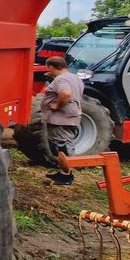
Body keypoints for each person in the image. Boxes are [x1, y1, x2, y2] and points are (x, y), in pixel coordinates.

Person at [42, 56, 84, 185]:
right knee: (62, 146)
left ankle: (66, 176)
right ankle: (63, 172)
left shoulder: (61, 79)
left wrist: (57, 106)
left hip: (61, 118)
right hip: (71, 116)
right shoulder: (74, 77)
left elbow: (65, 93)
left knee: (63, 147)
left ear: (51, 67)